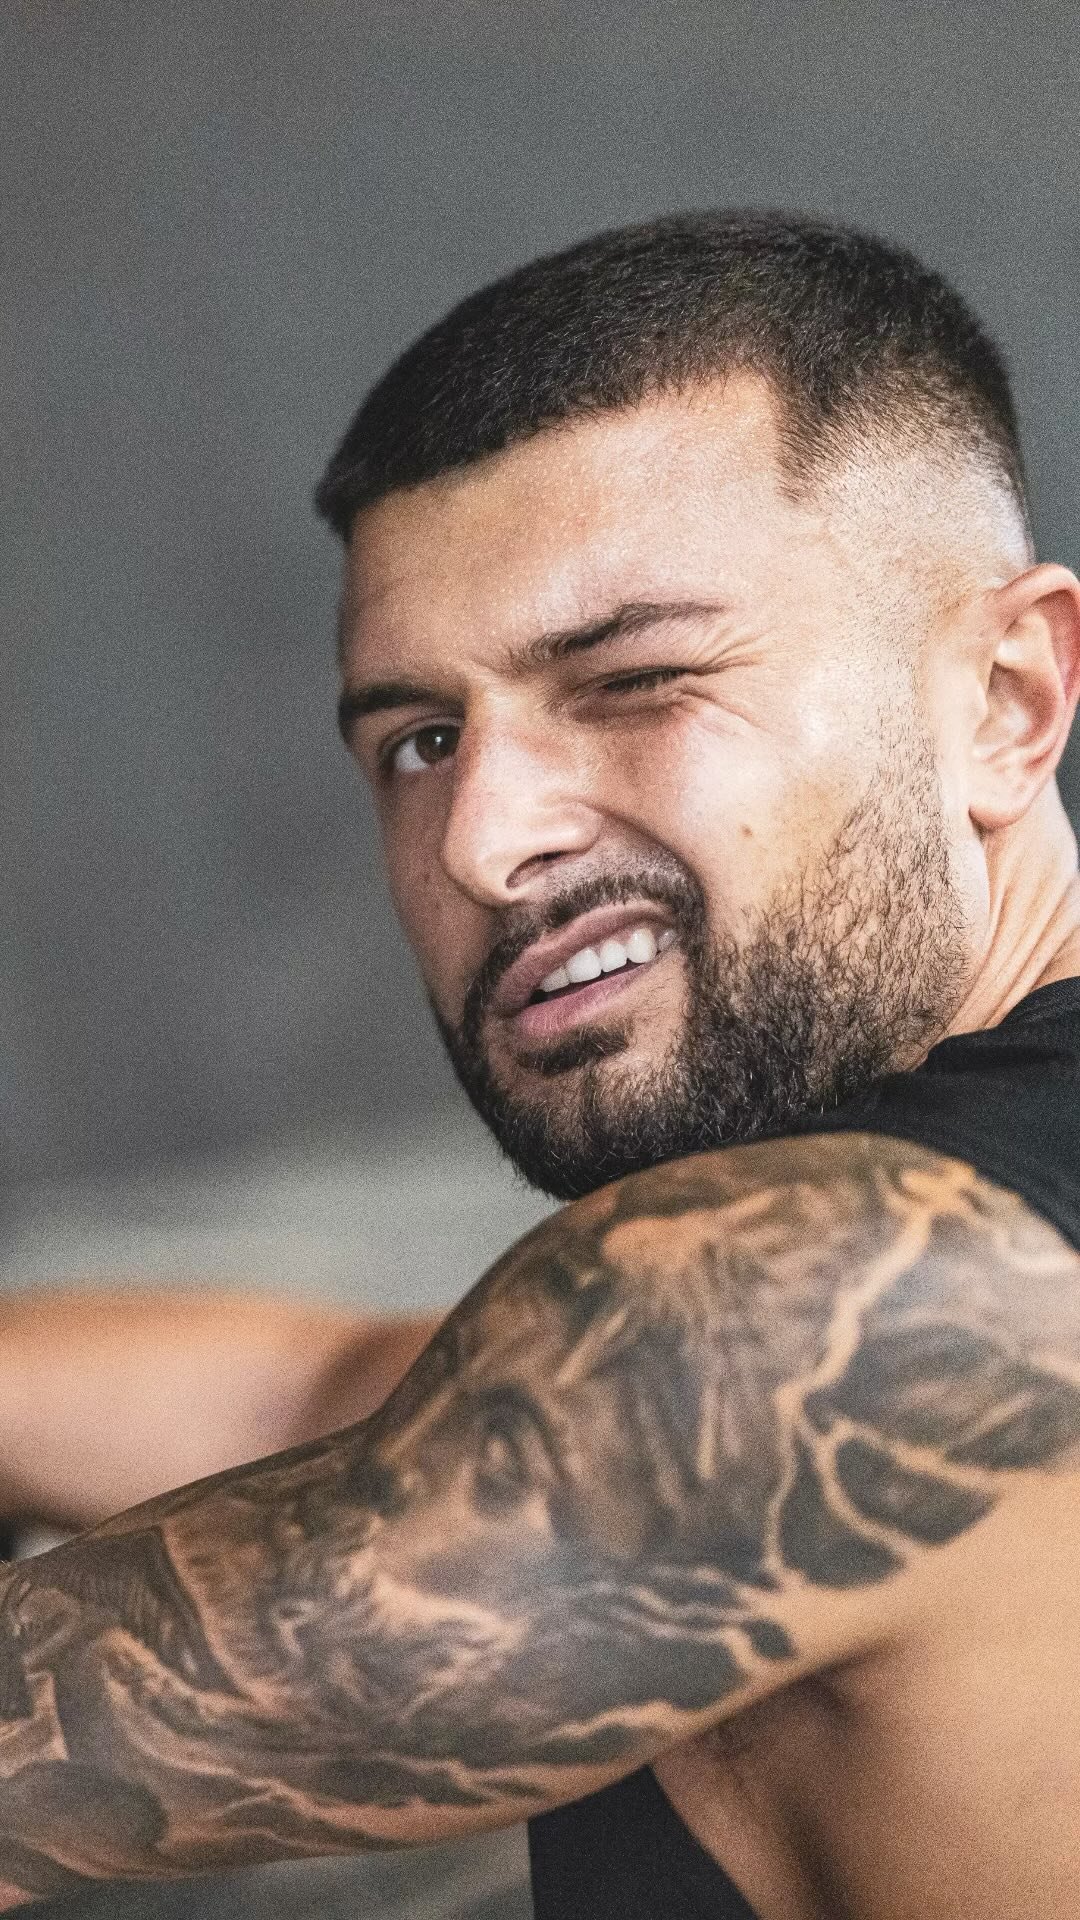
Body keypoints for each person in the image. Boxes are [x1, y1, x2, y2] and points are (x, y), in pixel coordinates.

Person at [3, 209, 1080, 1919]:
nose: (483, 839)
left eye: (636, 680)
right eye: (422, 739)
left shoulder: (855, 1297)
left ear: (1007, 699)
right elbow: (319, 1399)